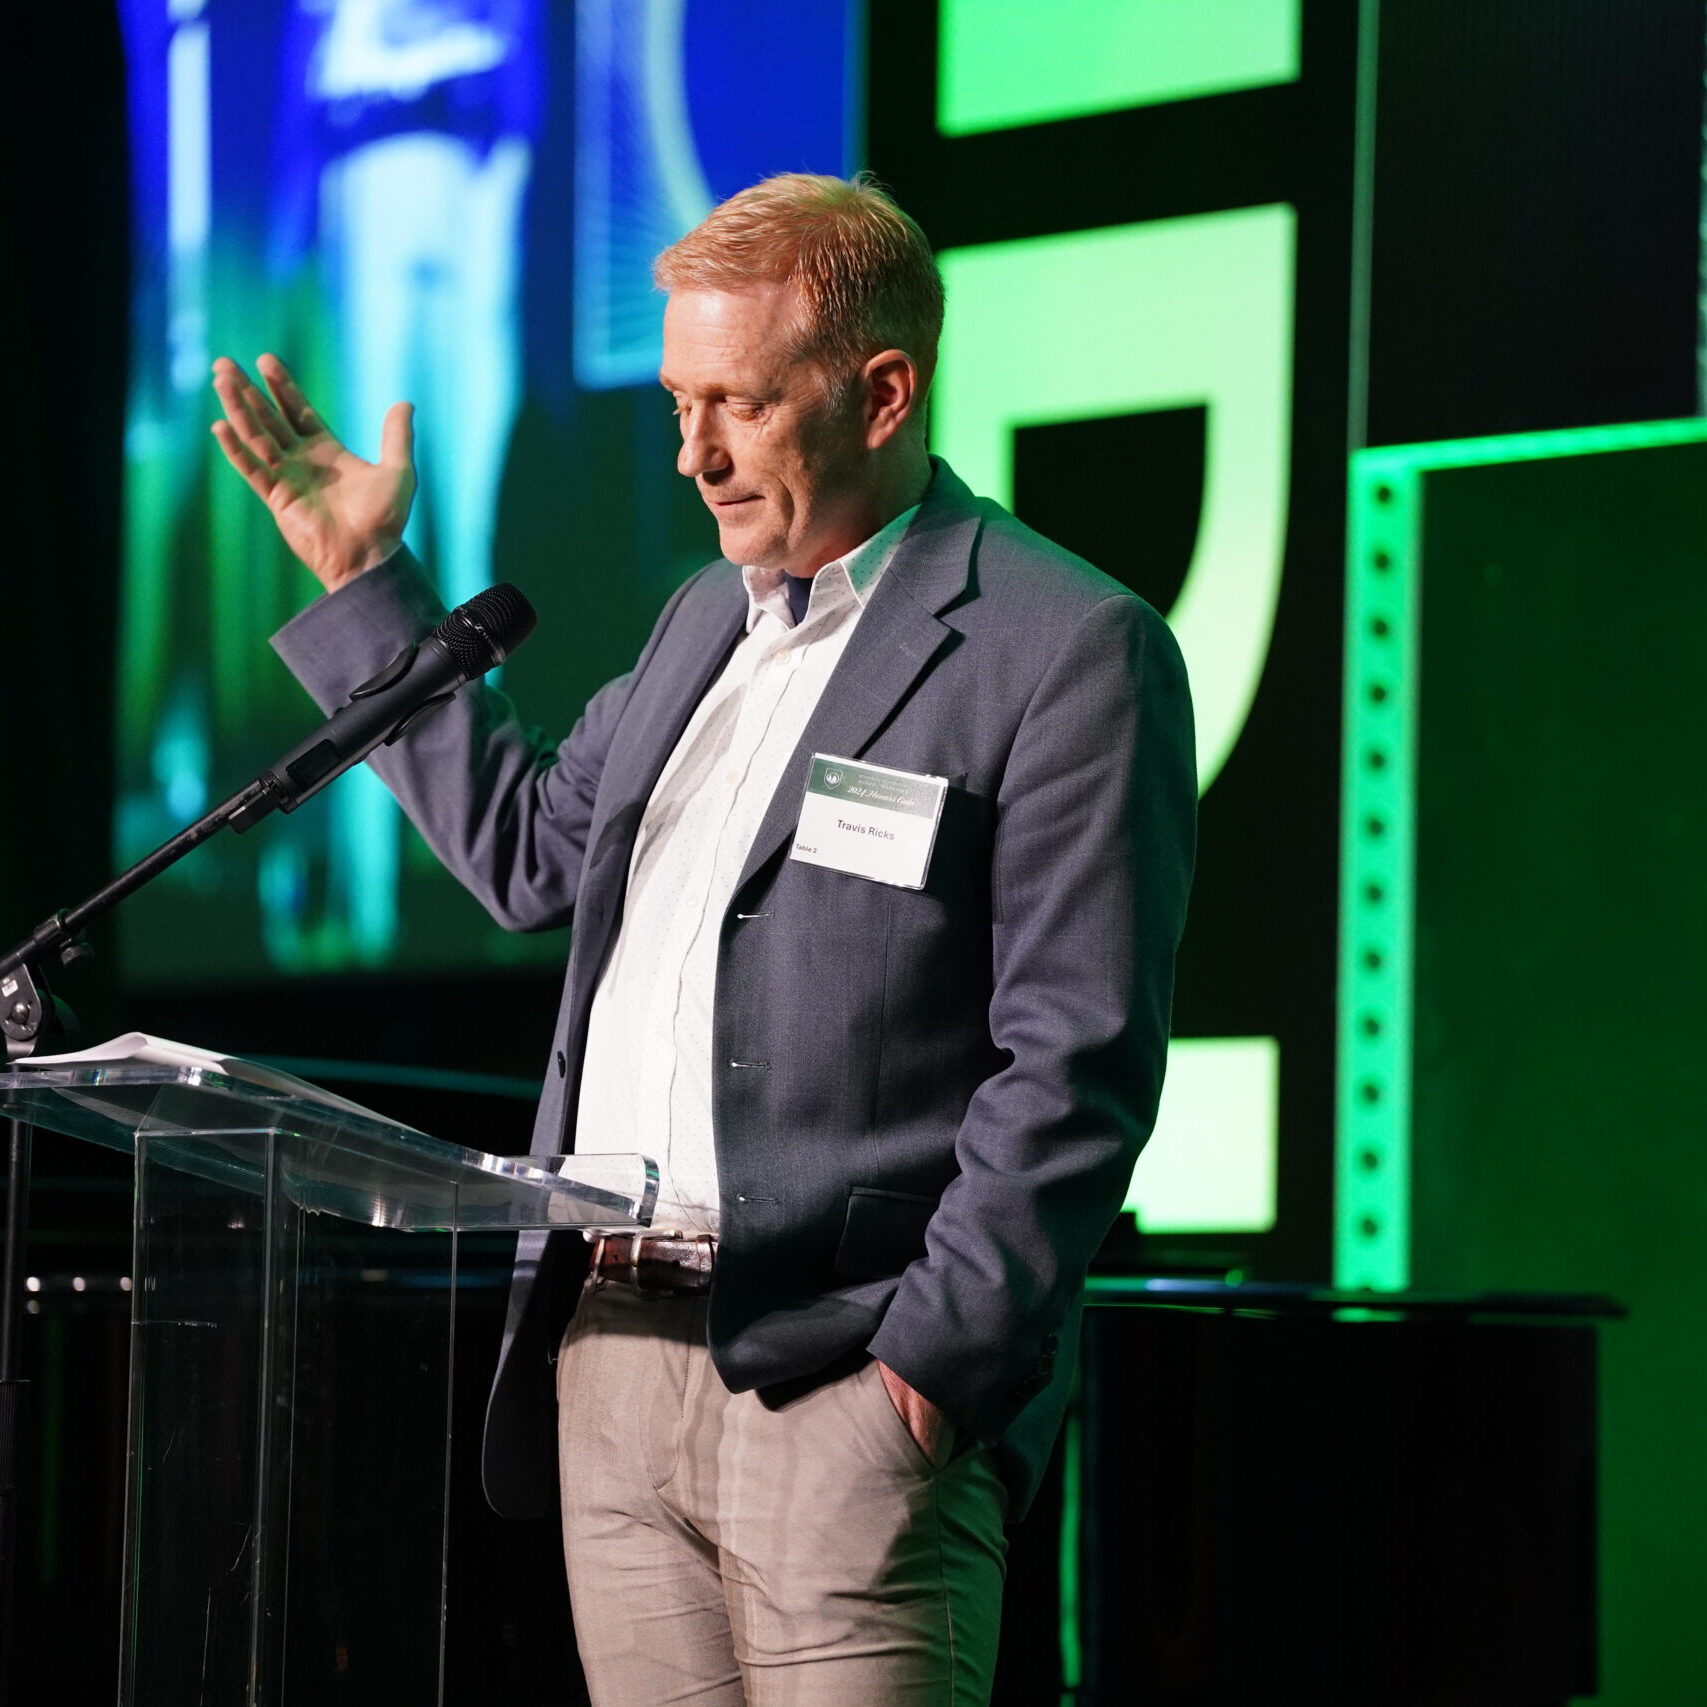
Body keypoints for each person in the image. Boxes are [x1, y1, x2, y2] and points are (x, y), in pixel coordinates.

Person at [211, 172, 1196, 1706]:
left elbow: (1076, 1060)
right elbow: (533, 855)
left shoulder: (1063, 648)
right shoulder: (700, 621)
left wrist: (924, 1382)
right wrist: (362, 586)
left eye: (734, 404)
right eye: (678, 403)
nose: (692, 456)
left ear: (884, 392)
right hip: (610, 1362)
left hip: (843, 1384)